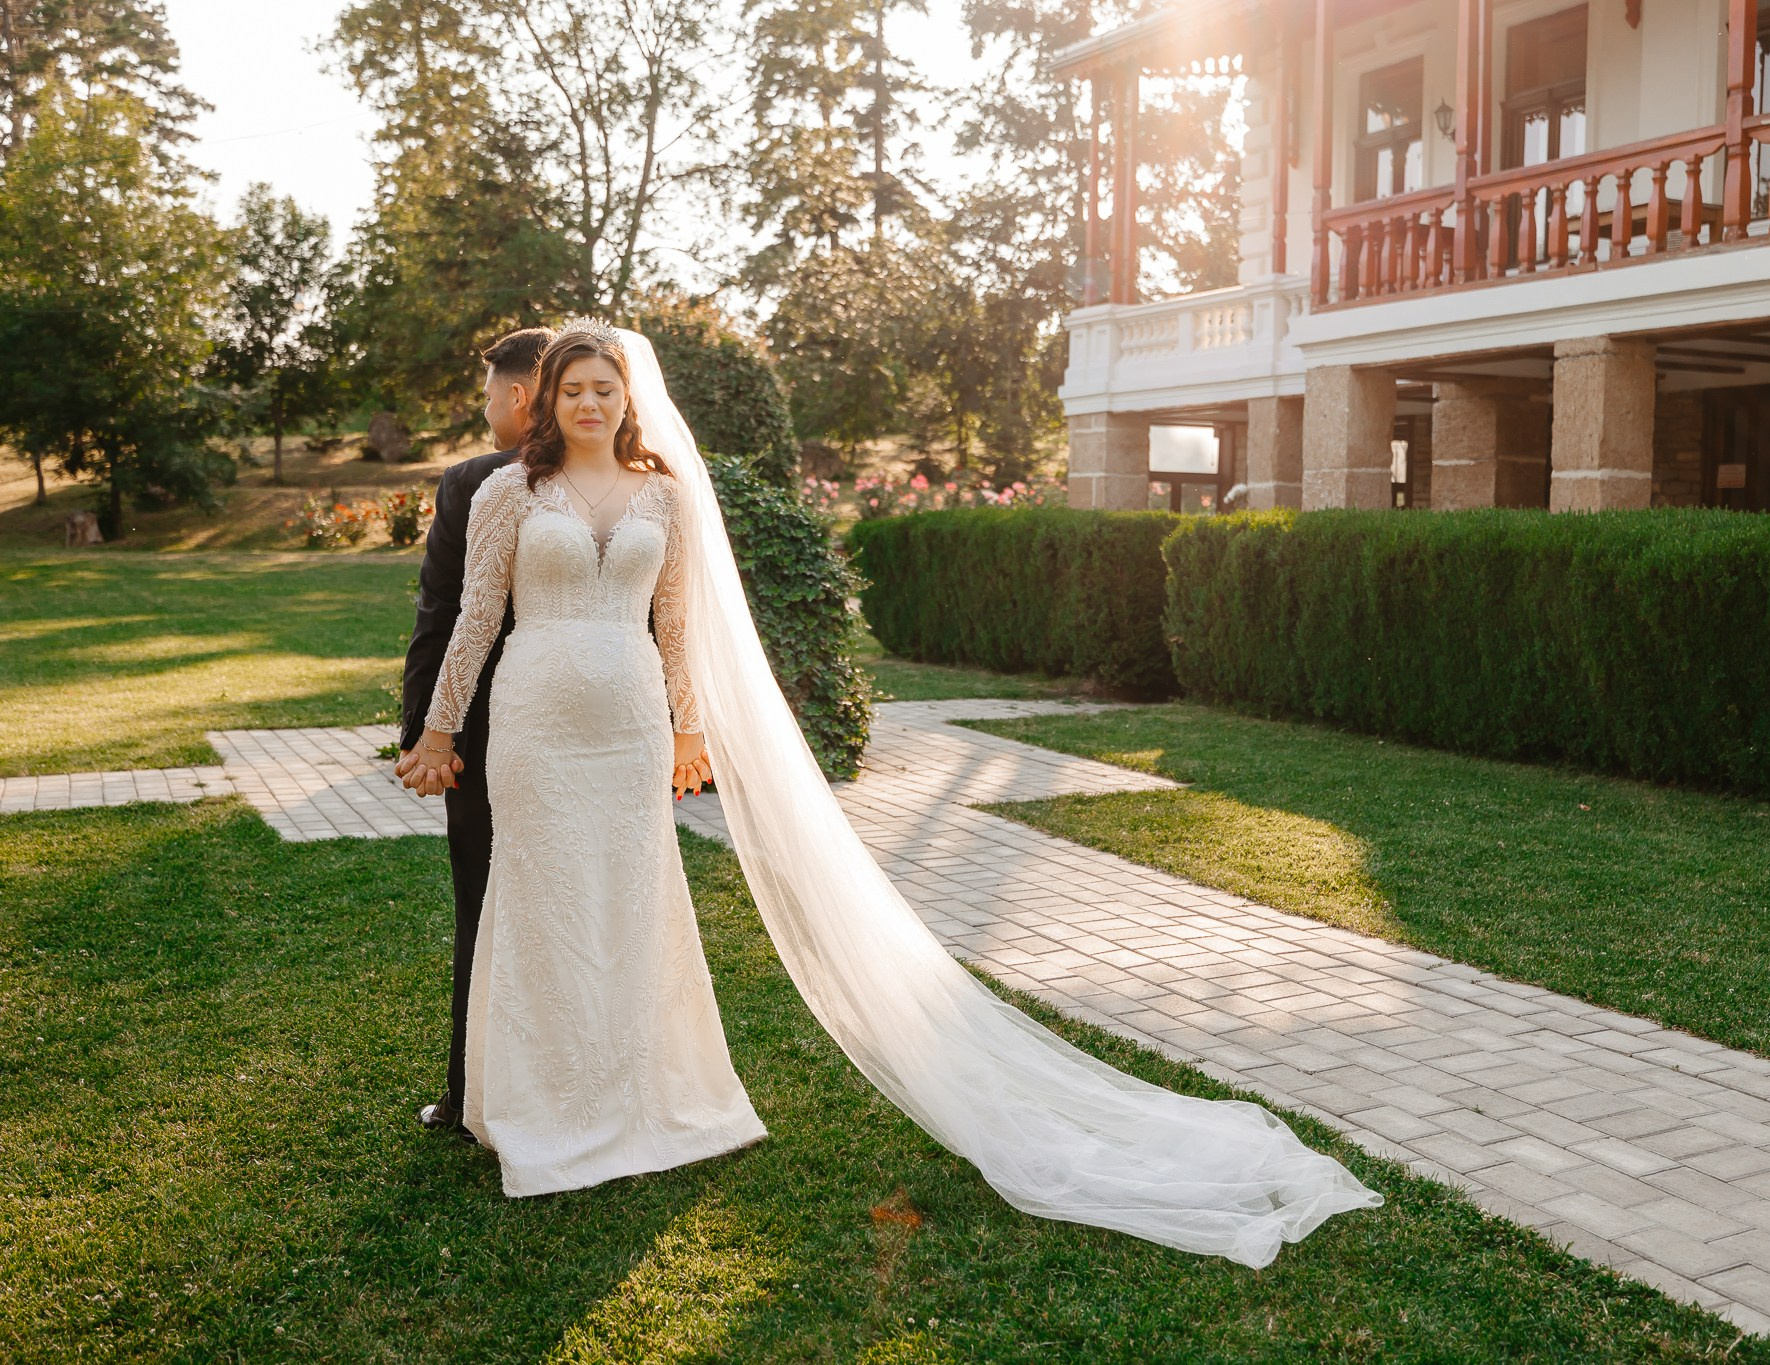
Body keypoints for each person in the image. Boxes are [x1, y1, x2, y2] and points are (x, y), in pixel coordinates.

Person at [411, 317, 1382, 1263]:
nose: (588, 402)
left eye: (604, 388)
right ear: (548, 400)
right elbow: (474, 618)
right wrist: (440, 731)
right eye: (573, 389)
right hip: (535, 722)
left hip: (627, 724)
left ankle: (638, 1099)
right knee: (541, 905)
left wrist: (689, 728)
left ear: (629, 400)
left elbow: (675, 630)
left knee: (629, 906)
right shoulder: (511, 490)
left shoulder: (663, 499)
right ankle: (539, 1108)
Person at [395, 326, 554, 1143]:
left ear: (520, 394)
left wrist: (428, 733)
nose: (487, 408)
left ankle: (472, 1094)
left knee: (484, 907)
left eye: (490, 393)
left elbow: (445, 617)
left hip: (490, 729)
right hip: (603, 727)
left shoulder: (473, 481)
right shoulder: (630, 481)